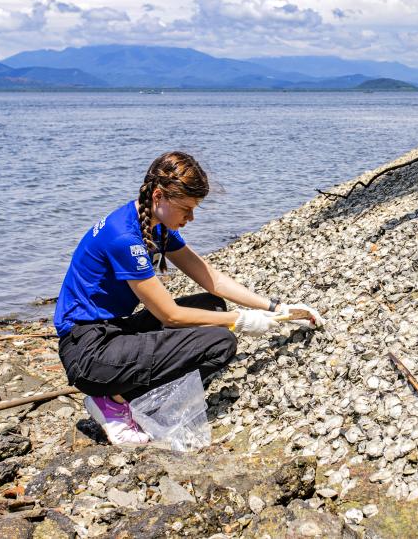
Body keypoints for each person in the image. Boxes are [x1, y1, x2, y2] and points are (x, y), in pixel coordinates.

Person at [54, 151, 323, 445]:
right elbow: (170, 315)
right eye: (186, 209)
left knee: (212, 306)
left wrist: (276, 307)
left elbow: (212, 279)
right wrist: (241, 320)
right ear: (159, 196)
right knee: (221, 343)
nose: (190, 218)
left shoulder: (155, 225)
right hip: (88, 353)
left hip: (112, 330)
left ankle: (125, 390)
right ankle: (112, 401)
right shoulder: (125, 238)